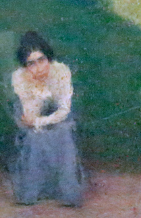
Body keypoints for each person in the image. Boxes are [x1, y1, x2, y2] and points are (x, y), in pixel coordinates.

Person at [9, 31, 84, 207]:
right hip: (32, 117)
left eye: (41, 60)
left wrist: (39, 122)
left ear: (48, 58)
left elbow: (64, 109)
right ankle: (32, 191)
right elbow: (29, 116)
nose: (39, 67)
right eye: (31, 63)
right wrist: (36, 87)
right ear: (25, 66)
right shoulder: (19, 78)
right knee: (35, 138)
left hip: (60, 116)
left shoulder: (61, 71)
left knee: (63, 133)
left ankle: (67, 192)